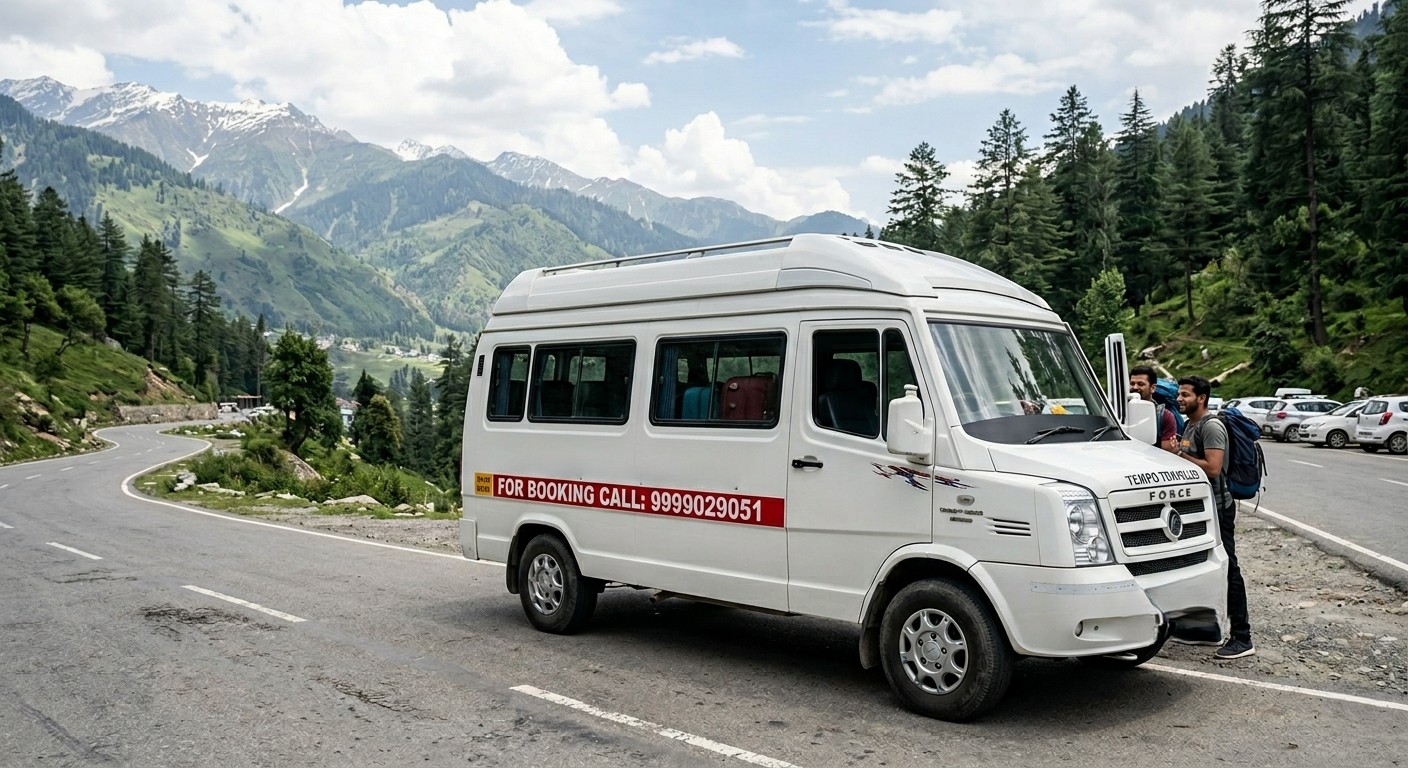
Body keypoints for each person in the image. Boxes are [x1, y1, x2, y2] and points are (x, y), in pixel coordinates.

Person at [1176, 375, 1255, 660]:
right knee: (1198, 565)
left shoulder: (1211, 426)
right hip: (1200, 509)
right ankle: (1207, 630)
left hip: (1219, 509)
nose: (1179, 399)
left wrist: (1179, 454)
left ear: (1201, 398)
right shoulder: (1190, 424)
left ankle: (1242, 637)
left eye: (1185, 394)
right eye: (1179, 394)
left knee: (1229, 568)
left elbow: (1212, 468)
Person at [1130, 366, 1179, 453]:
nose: (1135, 387)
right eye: (1132, 383)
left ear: (1153, 388)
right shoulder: (1119, 412)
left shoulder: (1164, 416)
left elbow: (1167, 451)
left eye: (1140, 384)